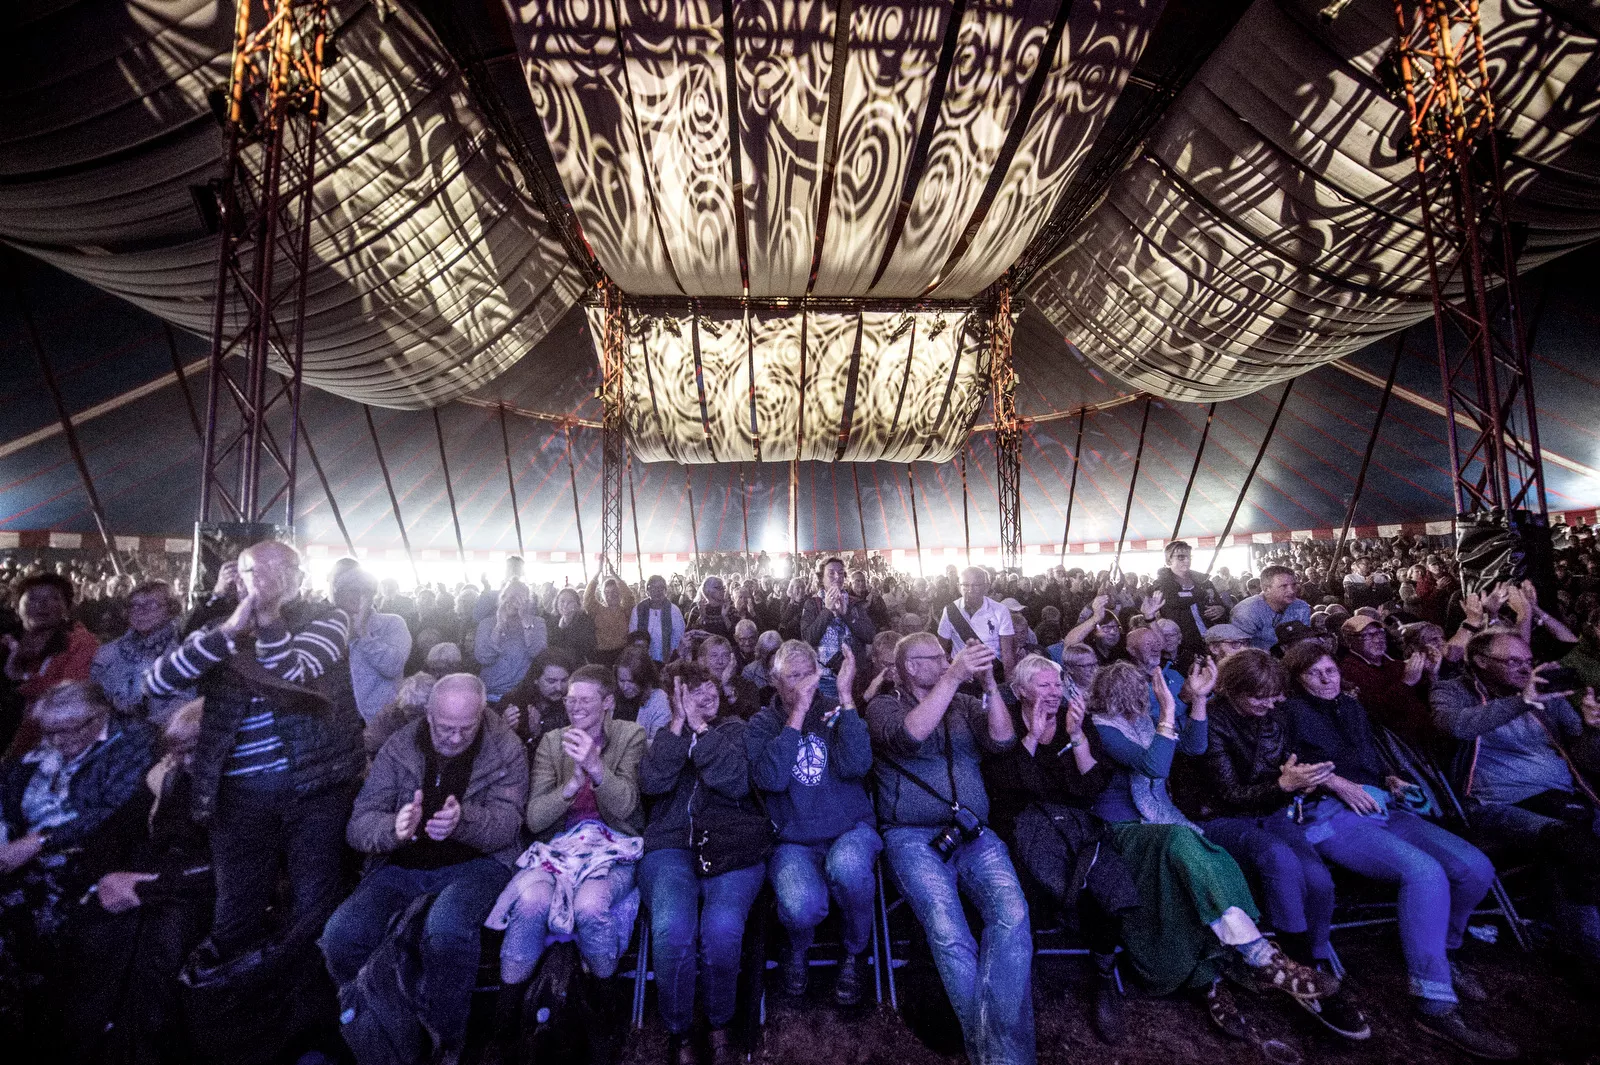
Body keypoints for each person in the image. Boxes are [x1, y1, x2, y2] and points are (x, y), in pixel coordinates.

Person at [1279, 642, 1513, 1058]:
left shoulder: (1351, 708)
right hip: (1329, 813)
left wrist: (1390, 778)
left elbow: (1367, 757)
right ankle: (1435, 1002)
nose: (1326, 679)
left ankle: (1440, 950)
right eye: (1314, 673)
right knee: (1424, 872)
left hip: (1382, 805)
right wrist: (1333, 782)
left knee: (1476, 868)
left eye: (1331, 670)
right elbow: (1282, 765)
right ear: (1298, 679)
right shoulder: (1288, 713)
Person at [144, 540, 361, 971]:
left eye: (280, 570)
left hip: (316, 785)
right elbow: (156, 682)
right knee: (236, 904)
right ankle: (235, 1003)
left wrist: (268, 619)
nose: (268, 580)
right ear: (236, 580)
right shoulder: (222, 630)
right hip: (238, 789)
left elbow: (290, 672)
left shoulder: (329, 618)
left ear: (300, 576)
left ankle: (301, 1002)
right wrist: (226, 633)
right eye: (254, 572)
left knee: (313, 901)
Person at [1088, 660, 1333, 1029]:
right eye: (1136, 693)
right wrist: (1169, 711)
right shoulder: (1102, 728)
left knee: (1201, 860)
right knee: (1186, 843)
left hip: (1162, 821)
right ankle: (1257, 954)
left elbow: (1194, 747)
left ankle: (1213, 979)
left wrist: (1199, 700)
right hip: (1124, 828)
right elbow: (1154, 766)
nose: (1142, 700)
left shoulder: (1142, 722)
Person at [322, 673, 528, 1060]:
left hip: (478, 863)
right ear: (428, 715)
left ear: (482, 714)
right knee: (341, 937)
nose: (454, 738)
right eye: (445, 728)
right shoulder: (399, 747)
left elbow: (509, 823)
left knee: (446, 931)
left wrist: (462, 821)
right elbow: (359, 823)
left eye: (466, 729)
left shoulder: (506, 748)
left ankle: (446, 1045)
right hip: (402, 865)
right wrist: (393, 828)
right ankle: (387, 1031)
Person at [867, 633, 1034, 1065]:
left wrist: (991, 686)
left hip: (974, 832)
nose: (945, 663)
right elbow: (909, 736)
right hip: (911, 836)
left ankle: (991, 1049)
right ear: (909, 668)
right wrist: (955, 675)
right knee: (947, 927)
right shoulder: (883, 706)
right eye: (934, 658)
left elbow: (1002, 741)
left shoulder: (962, 704)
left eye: (947, 657)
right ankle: (1001, 1057)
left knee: (1013, 914)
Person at [1185, 650, 1370, 1039]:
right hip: (1218, 817)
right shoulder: (1211, 721)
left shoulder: (1275, 716)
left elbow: (1281, 766)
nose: (1269, 704)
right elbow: (1228, 793)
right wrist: (1283, 784)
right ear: (1232, 690)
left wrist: (1296, 776)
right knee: (1278, 858)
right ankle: (1297, 974)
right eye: (1259, 697)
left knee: (1318, 879)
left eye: (1275, 696)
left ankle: (1316, 964)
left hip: (1269, 809)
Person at [981, 655, 1140, 1044]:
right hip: (1021, 823)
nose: (1053, 693)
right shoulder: (1007, 721)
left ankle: (1104, 976)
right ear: (1020, 690)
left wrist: (1078, 738)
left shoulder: (1075, 718)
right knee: (1027, 886)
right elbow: (1001, 788)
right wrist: (1032, 738)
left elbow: (1092, 787)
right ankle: (1026, 973)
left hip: (1074, 823)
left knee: (1107, 885)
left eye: (1057, 684)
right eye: (1043, 685)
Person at [0, 681, 158, 1054]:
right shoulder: (51, 745)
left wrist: (39, 842)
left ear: (97, 718)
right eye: (48, 732)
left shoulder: (133, 742)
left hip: (86, 858)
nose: (55, 741)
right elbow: (10, 786)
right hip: (28, 853)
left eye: (65, 731)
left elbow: (107, 813)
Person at [1431, 631, 1600, 978]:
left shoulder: (1545, 693)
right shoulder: (1451, 691)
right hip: (1495, 803)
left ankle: (1577, 948)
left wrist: (1591, 728)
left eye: (1527, 661)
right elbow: (1459, 727)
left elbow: (1582, 757)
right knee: (1573, 839)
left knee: (1572, 840)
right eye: (1513, 662)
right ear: (1480, 662)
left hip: (1563, 795)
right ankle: (1588, 955)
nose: (1525, 669)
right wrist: (1523, 700)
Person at [58, 699, 213, 1065]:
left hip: (196, 885)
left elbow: (234, 865)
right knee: (95, 926)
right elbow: (119, 830)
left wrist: (147, 886)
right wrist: (101, 876)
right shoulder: (167, 774)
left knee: (164, 938)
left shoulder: (245, 788)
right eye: (179, 751)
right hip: (156, 870)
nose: (185, 760)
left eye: (195, 750)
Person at [488, 665, 646, 1004]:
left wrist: (595, 767)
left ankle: (604, 1003)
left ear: (607, 702)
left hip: (613, 847)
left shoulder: (630, 735)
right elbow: (534, 819)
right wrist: (572, 785)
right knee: (531, 903)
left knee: (589, 907)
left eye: (585, 700)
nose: (575, 707)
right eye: (571, 700)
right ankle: (507, 1013)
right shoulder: (552, 741)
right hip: (560, 847)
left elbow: (628, 808)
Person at [638, 660, 768, 1065]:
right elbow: (653, 783)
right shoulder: (664, 736)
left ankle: (719, 1022)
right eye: (693, 689)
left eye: (710, 686)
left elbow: (736, 781)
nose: (706, 693)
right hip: (671, 847)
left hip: (733, 847)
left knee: (723, 930)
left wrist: (702, 730)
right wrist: (679, 727)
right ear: (676, 697)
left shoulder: (738, 731)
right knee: (672, 929)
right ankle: (679, 1029)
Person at [745, 641, 880, 1004]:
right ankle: (798, 948)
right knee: (802, 905)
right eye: (794, 676)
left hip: (849, 828)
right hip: (792, 839)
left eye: (809, 674)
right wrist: (797, 717)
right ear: (775, 680)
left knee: (849, 868)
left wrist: (847, 697)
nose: (804, 683)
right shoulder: (761, 725)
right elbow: (771, 779)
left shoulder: (834, 711)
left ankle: (855, 951)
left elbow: (858, 765)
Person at [3, 573, 100, 753]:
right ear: (16, 606)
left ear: (67, 608)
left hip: (47, 748)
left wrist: (21, 677)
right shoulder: (6, 642)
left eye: (53, 598)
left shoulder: (81, 644)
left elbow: (69, 697)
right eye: (33, 598)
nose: (42, 604)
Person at [90, 579, 189, 725]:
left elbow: (185, 703)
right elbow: (94, 697)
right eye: (134, 606)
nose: (141, 611)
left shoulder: (183, 651)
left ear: (171, 609)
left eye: (152, 604)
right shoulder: (108, 652)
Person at [333, 568, 412, 724]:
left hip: (380, 719)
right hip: (340, 720)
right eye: (351, 591)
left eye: (365, 592)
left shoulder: (392, 623)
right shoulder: (331, 627)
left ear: (373, 596)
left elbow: (392, 667)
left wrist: (362, 632)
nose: (358, 597)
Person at [800, 558, 876, 702]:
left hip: (854, 678)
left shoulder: (855, 604)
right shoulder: (812, 604)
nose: (837, 577)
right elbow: (809, 639)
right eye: (831, 573)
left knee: (853, 716)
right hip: (825, 679)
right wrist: (827, 611)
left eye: (841, 573)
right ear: (821, 578)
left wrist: (846, 614)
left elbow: (870, 635)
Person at [1151, 541, 1231, 653]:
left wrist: (1222, 610)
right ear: (1169, 560)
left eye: (1189, 557)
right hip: (1182, 645)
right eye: (1181, 557)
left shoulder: (1204, 581)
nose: (1187, 560)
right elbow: (1174, 601)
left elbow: (1222, 606)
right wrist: (1201, 594)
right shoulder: (1161, 585)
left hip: (1212, 640)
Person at [475, 580, 546, 705]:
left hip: (522, 694)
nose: (514, 603)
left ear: (528, 602)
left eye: (520, 598)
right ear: (502, 599)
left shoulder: (538, 623)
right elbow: (483, 657)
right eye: (510, 597)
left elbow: (538, 654)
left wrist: (526, 622)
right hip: (490, 692)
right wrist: (499, 626)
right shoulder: (486, 624)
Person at [937, 568, 1016, 679]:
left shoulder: (1000, 610)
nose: (970, 590)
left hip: (992, 675)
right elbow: (941, 647)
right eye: (965, 585)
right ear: (959, 587)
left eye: (976, 585)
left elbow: (1007, 652)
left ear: (986, 587)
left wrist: (1009, 684)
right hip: (962, 677)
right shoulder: (950, 611)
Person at [502, 649, 577, 755]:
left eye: (564, 681)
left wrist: (538, 734)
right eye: (551, 681)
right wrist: (504, 728)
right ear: (535, 679)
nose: (559, 688)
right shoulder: (515, 701)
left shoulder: (574, 704)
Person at [1230, 566, 1311, 652]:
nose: (1292, 591)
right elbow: (1238, 651)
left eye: (1294, 585)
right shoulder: (1245, 612)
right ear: (1266, 589)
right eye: (1284, 586)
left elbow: (1305, 642)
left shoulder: (1301, 607)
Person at [614, 645, 673, 742]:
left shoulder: (659, 700)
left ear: (644, 679)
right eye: (621, 680)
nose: (625, 687)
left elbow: (658, 743)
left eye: (631, 681)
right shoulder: (612, 696)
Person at [698, 634, 761, 720]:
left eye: (725, 655)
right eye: (714, 655)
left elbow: (754, 720)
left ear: (733, 660)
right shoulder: (696, 688)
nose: (720, 661)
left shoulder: (747, 686)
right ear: (702, 661)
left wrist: (728, 687)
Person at [583, 571, 637, 666]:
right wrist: (597, 572)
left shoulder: (626, 610)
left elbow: (629, 596)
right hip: (602, 655)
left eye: (615, 592)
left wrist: (615, 575)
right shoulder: (598, 610)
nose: (611, 595)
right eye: (607, 592)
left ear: (620, 593)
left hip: (622, 653)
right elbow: (588, 598)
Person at [631, 576, 686, 663]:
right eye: (652, 587)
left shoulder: (673, 610)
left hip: (668, 659)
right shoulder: (638, 609)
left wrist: (672, 655)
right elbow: (633, 634)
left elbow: (679, 636)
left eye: (661, 587)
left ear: (665, 591)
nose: (657, 591)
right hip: (643, 659)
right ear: (647, 591)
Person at [548, 586, 598, 664]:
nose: (565, 605)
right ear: (557, 603)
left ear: (577, 604)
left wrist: (566, 622)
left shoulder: (585, 621)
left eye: (570, 602)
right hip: (558, 664)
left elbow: (586, 648)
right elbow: (551, 646)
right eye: (562, 601)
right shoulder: (552, 621)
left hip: (579, 664)